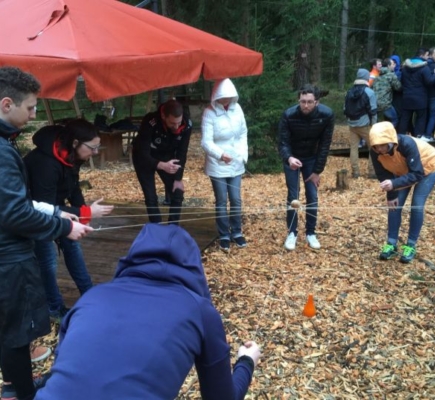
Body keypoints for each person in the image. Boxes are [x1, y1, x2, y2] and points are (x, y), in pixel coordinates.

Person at [34, 223, 261, 400]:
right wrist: (246, 362)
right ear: (194, 266)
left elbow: (64, 368)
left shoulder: (91, 297)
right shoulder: (200, 310)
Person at [0, 67, 92, 400]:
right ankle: (22, 393)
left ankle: (15, 385)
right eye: (31, 108)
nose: (36, 114)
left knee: (9, 329)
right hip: (8, 258)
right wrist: (64, 227)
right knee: (16, 334)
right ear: (7, 104)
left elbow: (12, 201)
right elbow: (14, 213)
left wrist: (54, 211)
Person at [23, 119, 114, 321]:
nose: (96, 152)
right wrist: (86, 212)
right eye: (93, 147)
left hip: (57, 208)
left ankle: (89, 295)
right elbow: (44, 206)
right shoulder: (45, 163)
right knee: (47, 261)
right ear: (75, 143)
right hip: (39, 213)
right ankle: (54, 308)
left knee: (73, 247)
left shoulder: (71, 154)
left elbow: (73, 186)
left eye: (98, 147)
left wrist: (83, 213)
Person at [369, 121, 435, 263]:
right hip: (402, 170)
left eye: (382, 145)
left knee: (417, 205)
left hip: (427, 168)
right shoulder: (375, 151)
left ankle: (411, 245)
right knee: (394, 206)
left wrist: (394, 183)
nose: (380, 149)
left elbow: (417, 174)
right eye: (376, 146)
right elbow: (383, 174)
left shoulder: (406, 144)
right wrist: (392, 194)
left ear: (390, 140)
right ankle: (391, 243)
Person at [278, 84, 334, 251]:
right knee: (293, 196)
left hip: (312, 158)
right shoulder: (288, 115)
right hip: (292, 157)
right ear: (299, 100)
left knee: (312, 196)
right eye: (303, 101)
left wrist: (317, 171)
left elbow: (325, 145)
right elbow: (282, 142)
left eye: (310, 102)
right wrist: (289, 158)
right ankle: (292, 233)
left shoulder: (327, 115)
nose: (306, 105)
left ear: (316, 102)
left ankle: (310, 232)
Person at [201, 79, 248, 253]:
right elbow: (206, 142)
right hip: (217, 164)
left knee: (235, 199)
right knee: (221, 201)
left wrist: (243, 154)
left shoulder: (238, 110)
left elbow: (243, 133)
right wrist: (220, 154)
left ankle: (236, 232)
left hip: (236, 161)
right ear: (217, 97)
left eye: (230, 96)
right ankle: (224, 235)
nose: (227, 100)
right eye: (224, 97)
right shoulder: (209, 113)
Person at [132, 99, 192, 224]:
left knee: (177, 193)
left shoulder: (186, 124)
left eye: (178, 122)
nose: (176, 127)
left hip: (166, 155)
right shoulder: (150, 121)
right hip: (144, 157)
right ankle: (157, 228)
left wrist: (178, 178)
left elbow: (182, 152)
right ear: (164, 116)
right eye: (172, 123)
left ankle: (173, 227)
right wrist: (160, 165)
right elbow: (142, 152)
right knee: (151, 197)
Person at [398, 48, 435, 139]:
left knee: (404, 118)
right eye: (427, 55)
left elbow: (402, 81)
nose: (428, 57)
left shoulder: (405, 68)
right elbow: (429, 82)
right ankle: (418, 137)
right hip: (420, 98)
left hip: (407, 97)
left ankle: (400, 137)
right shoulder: (424, 68)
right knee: (420, 118)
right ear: (422, 55)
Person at [344, 68, 377, 179]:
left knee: (354, 148)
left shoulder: (349, 92)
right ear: (367, 77)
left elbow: (345, 108)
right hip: (365, 125)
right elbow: (373, 110)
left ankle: (355, 172)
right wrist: (374, 124)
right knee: (373, 148)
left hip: (352, 124)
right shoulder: (369, 92)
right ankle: (372, 172)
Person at [373, 58, 402, 128]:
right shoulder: (391, 75)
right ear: (388, 66)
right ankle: (387, 134)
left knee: (376, 123)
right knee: (395, 120)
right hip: (385, 104)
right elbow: (398, 88)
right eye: (392, 64)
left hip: (375, 103)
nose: (394, 66)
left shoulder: (378, 76)